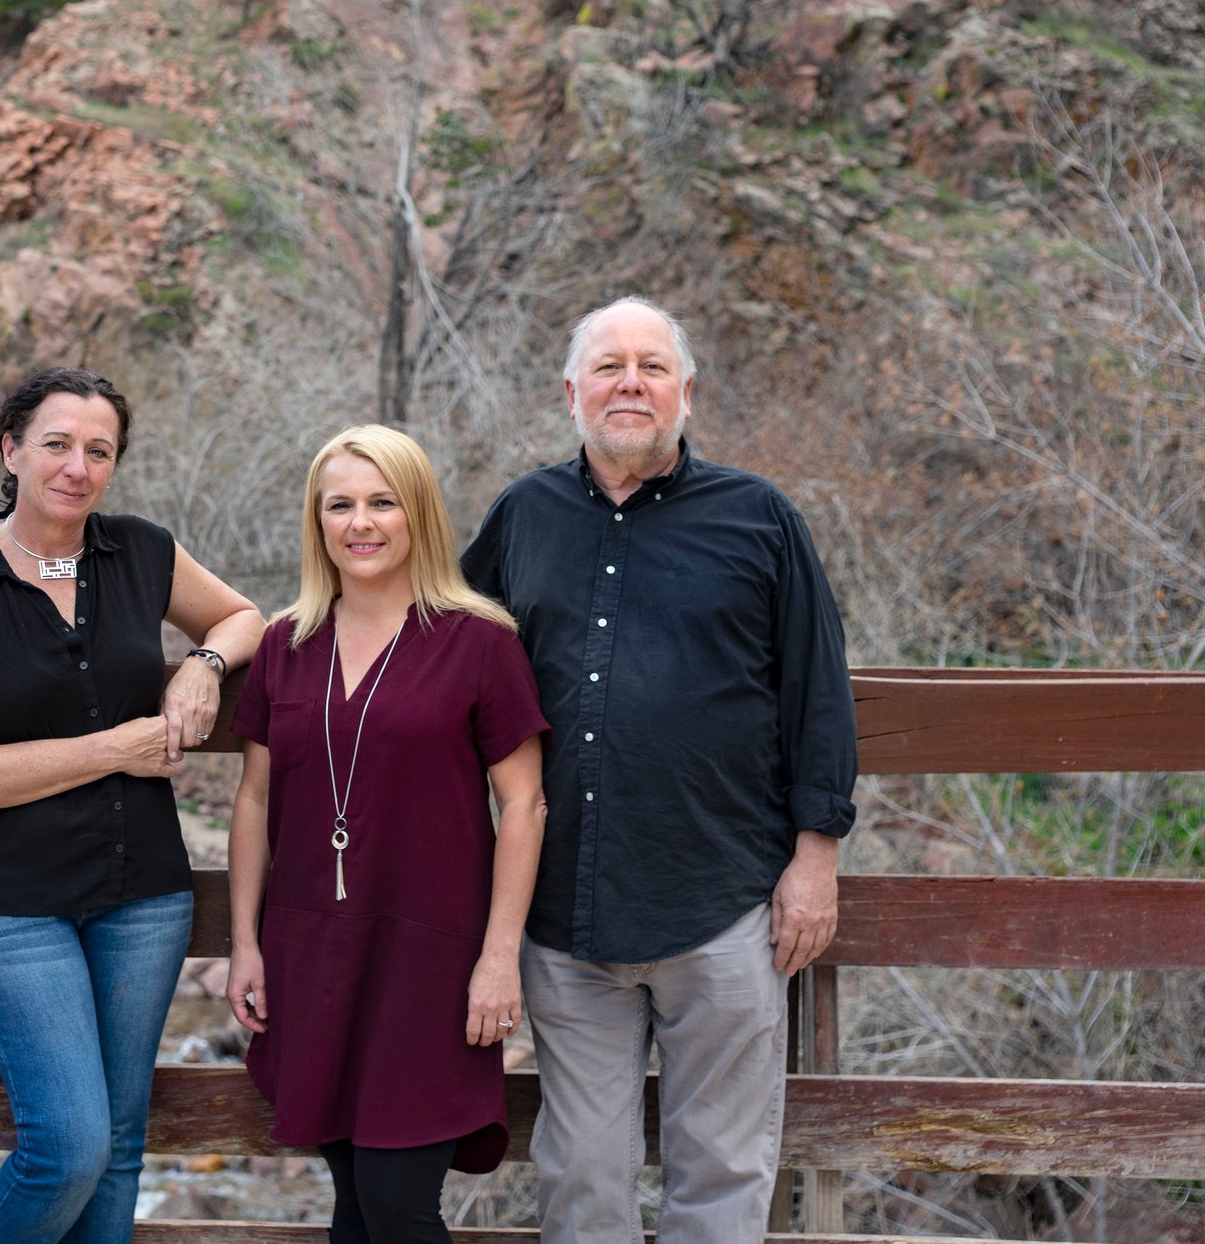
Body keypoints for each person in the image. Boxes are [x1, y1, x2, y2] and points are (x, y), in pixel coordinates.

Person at [461, 296, 859, 1243]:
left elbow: (818, 689)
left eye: (650, 366)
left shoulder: (760, 518)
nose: (629, 382)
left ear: (687, 390)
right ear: (571, 392)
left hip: (722, 900)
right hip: (566, 912)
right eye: (608, 366)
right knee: (581, 1172)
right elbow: (441, 664)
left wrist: (818, 856)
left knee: (720, 1172)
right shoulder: (522, 516)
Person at [0, 366, 264, 1243]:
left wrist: (203, 667)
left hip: (142, 891)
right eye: (57, 443)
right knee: (67, 1142)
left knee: (123, 1141)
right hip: (11, 901)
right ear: (11, 450)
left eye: (98, 449)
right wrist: (118, 748)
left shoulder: (141, 552)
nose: (77, 465)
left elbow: (246, 616)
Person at [225, 424, 548, 1244]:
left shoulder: (481, 642)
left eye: (381, 501)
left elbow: (525, 805)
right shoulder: (284, 645)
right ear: (317, 521)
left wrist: (499, 957)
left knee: (401, 1206)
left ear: (418, 515)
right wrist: (245, 944)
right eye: (340, 505)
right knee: (355, 1206)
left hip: (428, 964)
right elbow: (255, 798)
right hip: (311, 953)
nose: (360, 522)